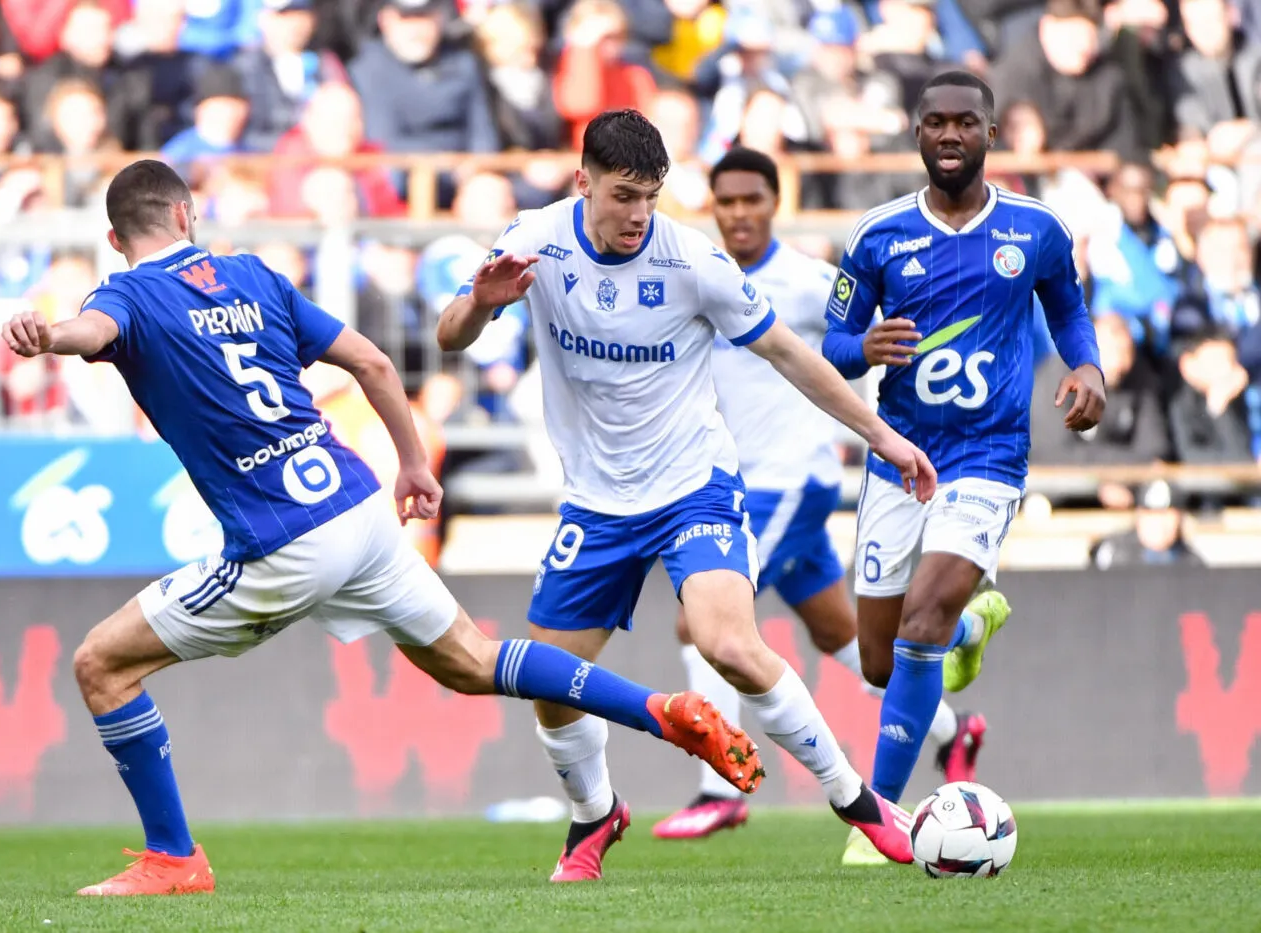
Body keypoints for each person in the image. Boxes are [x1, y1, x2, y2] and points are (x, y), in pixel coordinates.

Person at [0, 159, 763, 897]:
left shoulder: (127, 293)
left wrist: (50, 334)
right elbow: (372, 364)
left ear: (116, 239)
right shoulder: (254, 276)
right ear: (184, 215)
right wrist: (411, 465)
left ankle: (173, 857)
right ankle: (658, 710)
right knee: (473, 659)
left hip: (283, 541)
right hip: (360, 508)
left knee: (102, 664)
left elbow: (93, 329)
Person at [436, 109, 937, 881]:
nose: (639, 214)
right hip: (596, 503)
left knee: (728, 642)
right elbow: (448, 337)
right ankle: (595, 814)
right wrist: (479, 302)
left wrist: (882, 434)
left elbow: (788, 352)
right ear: (584, 183)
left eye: (652, 196)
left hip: (694, 485)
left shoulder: (692, 261)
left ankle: (858, 801)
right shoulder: (533, 238)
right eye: (623, 195)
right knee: (550, 686)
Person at [651, 147, 989, 845]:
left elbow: (872, 333)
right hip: (737, 482)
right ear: (712, 207)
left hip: (785, 481)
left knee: (700, 623)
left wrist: (875, 357)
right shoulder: (700, 278)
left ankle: (721, 788)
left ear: (778, 202)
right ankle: (955, 730)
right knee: (839, 634)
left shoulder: (808, 282)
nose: (740, 213)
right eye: (728, 201)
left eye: (753, 200)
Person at [821, 71, 1106, 864]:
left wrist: (1087, 368)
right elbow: (832, 345)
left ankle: (875, 823)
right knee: (879, 660)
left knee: (920, 622)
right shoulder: (876, 235)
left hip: (988, 455)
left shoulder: (1035, 228)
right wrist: (863, 348)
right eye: (935, 122)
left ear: (990, 134)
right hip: (900, 457)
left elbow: (1067, 307)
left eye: (966, 123)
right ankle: (973, 624)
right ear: (915, 133)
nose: (951, 135)